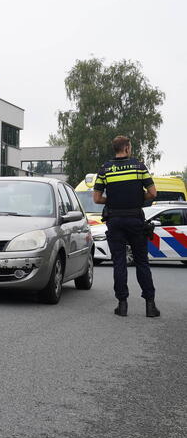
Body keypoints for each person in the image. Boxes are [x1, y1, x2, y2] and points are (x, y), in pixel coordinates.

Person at [93, 135, 160, 317]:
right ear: (127, 148)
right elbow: (153, 192)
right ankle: (150, 305)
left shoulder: (105, 169)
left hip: (115, 220)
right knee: (141, 262)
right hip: (135, 219)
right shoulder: (139, 166)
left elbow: (97, 198)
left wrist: (114, 201)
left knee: (119, 263)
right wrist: (138, 198)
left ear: (115, 149)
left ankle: (122, 305)